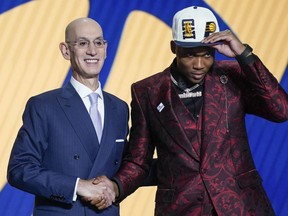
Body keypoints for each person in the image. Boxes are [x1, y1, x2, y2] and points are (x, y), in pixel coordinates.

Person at [92, 6, 288, 216]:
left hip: (242, 206)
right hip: (181, 208)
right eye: (190, 55)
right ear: (173, 47)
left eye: (207, 55)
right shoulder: (147, 91)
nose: (199, 64)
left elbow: (281, 110)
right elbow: (140, 160)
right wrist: (115, 186)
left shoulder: (233, 76)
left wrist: (244, 54)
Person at [7, 17, 129, 216]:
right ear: (65, 50)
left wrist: (116, 186)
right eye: (82, 43)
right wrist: (77, 186)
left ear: (106, 49)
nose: (92, 51)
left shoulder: (120, 108)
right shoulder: (43, 106)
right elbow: (19, 169)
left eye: (98, 42)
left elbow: (129, 165)